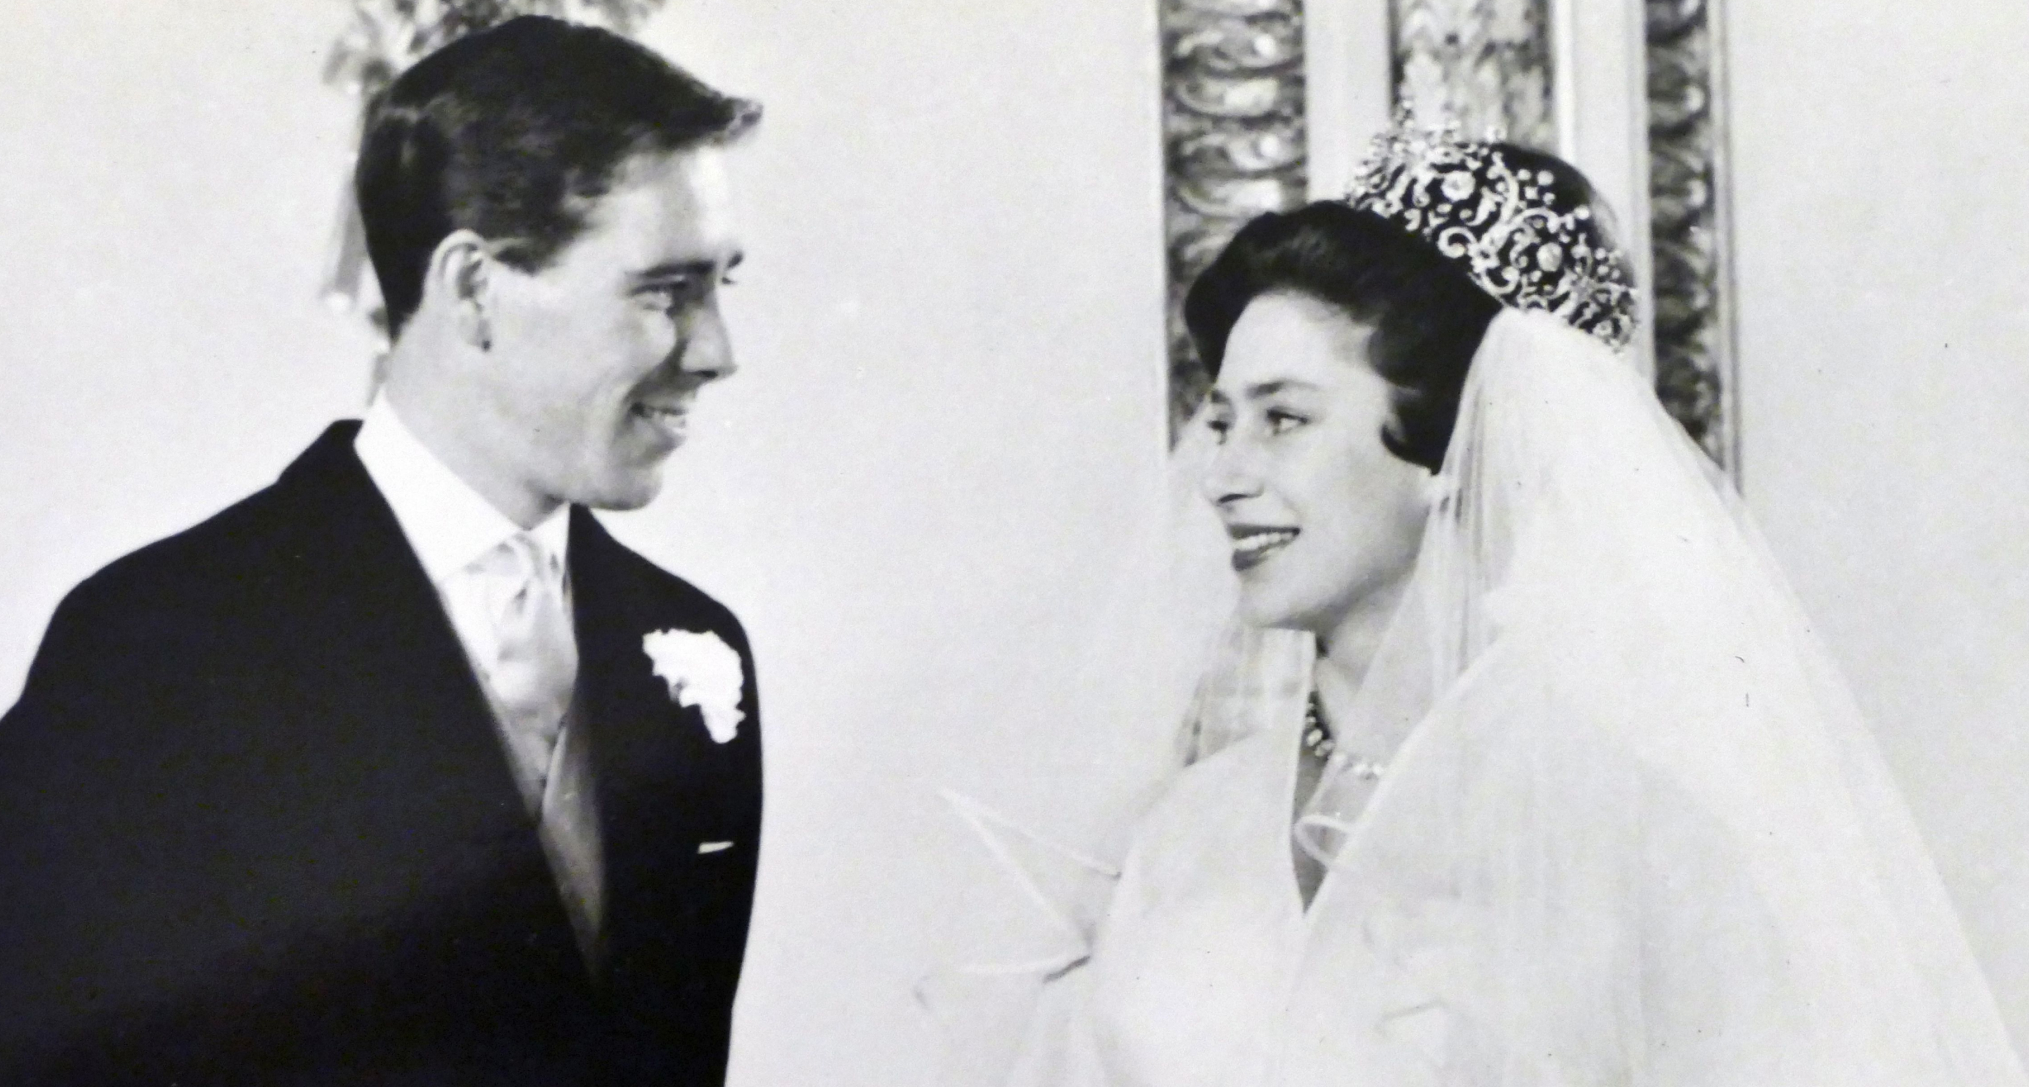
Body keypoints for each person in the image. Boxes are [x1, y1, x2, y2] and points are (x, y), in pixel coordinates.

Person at [956, 122, 2028, 1086]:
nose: (1221, 472)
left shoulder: (1641, 832)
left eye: (1283, 420)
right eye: (1221, 420)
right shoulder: (1185, 827)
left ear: (1448, 452)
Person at [0, 17, 763, 1085]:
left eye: (725, 283)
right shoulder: (150, 647)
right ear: (472, 288)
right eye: (664, 291)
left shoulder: (695, 655)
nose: (718, 350)